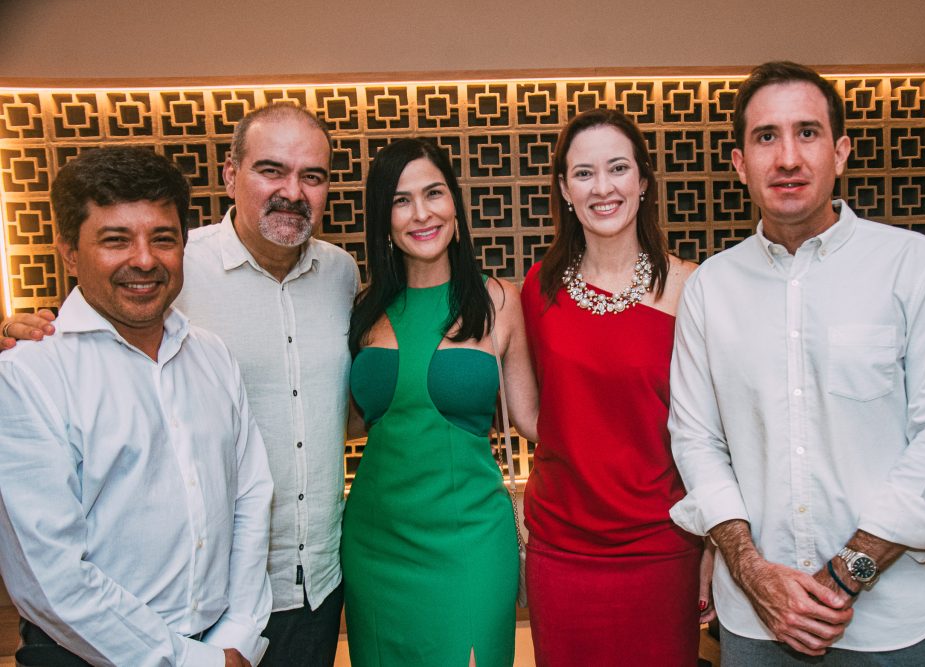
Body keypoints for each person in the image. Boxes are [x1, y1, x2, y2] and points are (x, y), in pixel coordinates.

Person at [0, 104, 359, 666]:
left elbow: (256, 482)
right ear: (229, 175)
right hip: (126, 632)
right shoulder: (171, 266)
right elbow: (51, 572)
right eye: (271, 169)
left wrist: (231, 638)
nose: (292, 191)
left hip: (307, 583)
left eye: (311, 175)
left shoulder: (341, 274)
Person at [669, 60, 925, 665]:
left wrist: (844, 576)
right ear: (739, 163)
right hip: (758, 624)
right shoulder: (710, 289)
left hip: (900, 624)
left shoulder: (919, 269)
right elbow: (696, 439)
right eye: (766, 137)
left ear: (840, 152)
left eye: (807, 133)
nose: (788, 157)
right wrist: (752, 571)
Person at [520, 108, 711, 667]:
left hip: (663, 548)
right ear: (564, 189)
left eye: (618, 168)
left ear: (644, 181)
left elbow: (715, 433)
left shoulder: (692, 288)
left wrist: (716, 547)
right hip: (562, 550)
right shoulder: (539, 288)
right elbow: (536, 413)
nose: (602, 188)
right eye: (583, 173)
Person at [342, 137, 538, 667]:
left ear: (455, 202)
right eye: (401, 201)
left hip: (472, 541)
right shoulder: (363, 309)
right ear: (382, 217)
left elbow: (534, 421)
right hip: (376, 546)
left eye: (434, 193)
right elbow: (349, 423)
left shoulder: (500, 301)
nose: (422, 213)